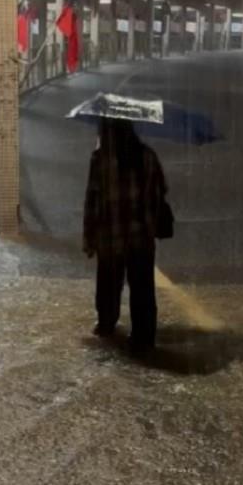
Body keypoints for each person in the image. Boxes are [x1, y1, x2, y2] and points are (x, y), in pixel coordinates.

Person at [82, 118, 169, 355]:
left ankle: (106, 327)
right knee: (142, 289)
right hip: (141, 237)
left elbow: (92, 202)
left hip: (110, 237)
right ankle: (143, 338)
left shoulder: (100, 159)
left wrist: (89, 238)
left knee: (108, 287)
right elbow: (160, 193)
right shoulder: (148, 156)